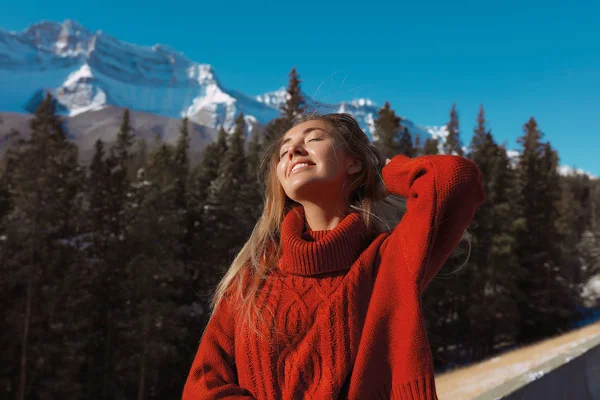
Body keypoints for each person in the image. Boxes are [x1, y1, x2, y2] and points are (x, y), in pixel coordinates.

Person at [182, 112, 486, 400]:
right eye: (284, 150)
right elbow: (202, 385)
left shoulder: (389, 260)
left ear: (353, 164)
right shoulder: (252, 277)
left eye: (313, 139)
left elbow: (455, 178)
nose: (293, 151)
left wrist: (382, 172)